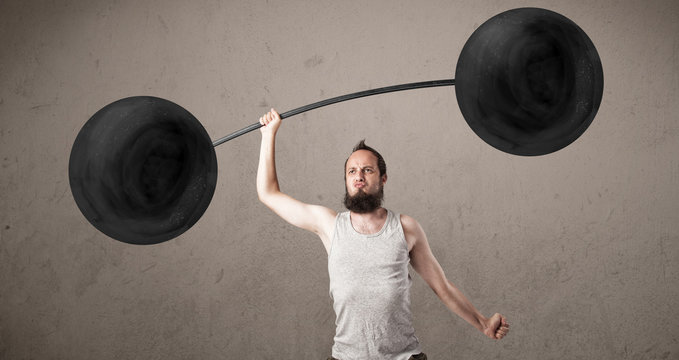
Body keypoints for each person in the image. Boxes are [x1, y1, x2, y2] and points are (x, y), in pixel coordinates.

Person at [256, 109, 509, 360]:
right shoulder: (329, 225)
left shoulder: (405, 227)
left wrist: (483, 323)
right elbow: (268, 193)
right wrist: (269, 135)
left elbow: (442, 287)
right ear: (346, 180)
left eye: (367, 170)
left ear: (383, 178)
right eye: (352, 171)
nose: (359, 177)